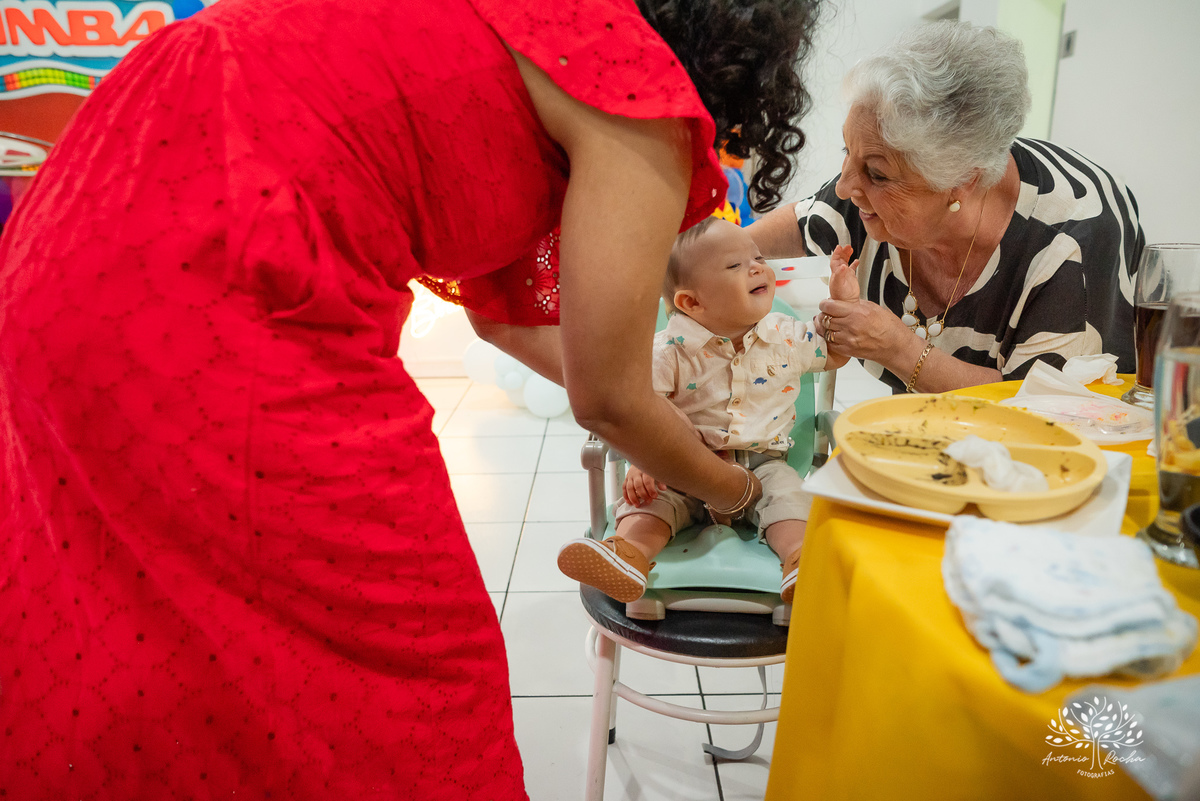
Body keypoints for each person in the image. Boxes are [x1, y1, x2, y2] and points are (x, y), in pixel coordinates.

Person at [0, 0, 823, 796]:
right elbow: (609, 400)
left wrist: (655, 418)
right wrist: (737, 489)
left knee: (143, 625)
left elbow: (514, 331)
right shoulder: (632, 79)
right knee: (415, 665)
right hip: (226, 249)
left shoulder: (542, 26)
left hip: (86, 206)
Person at [748, 21, 1145, 395]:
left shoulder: (1074, 238)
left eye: (877, 173)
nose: (845, 185)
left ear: (963, 181)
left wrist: (899, 349)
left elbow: (1046, 410)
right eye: (846, 151)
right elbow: (768, 236)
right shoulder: (869, 194)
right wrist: (701, 259)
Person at [557, 219, 855, 604]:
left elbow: (834, 352)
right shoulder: (667, 353)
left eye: (758, 257)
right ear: (692, 302)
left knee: (792, 503)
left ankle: (801, 561)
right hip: (682, 466)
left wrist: (844, 301)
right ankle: (627, 555)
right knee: (648, 505)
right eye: (735, 266)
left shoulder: (785, 334)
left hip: (765, 465)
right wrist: (645, 463)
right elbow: (638, 414)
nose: (757, 267)